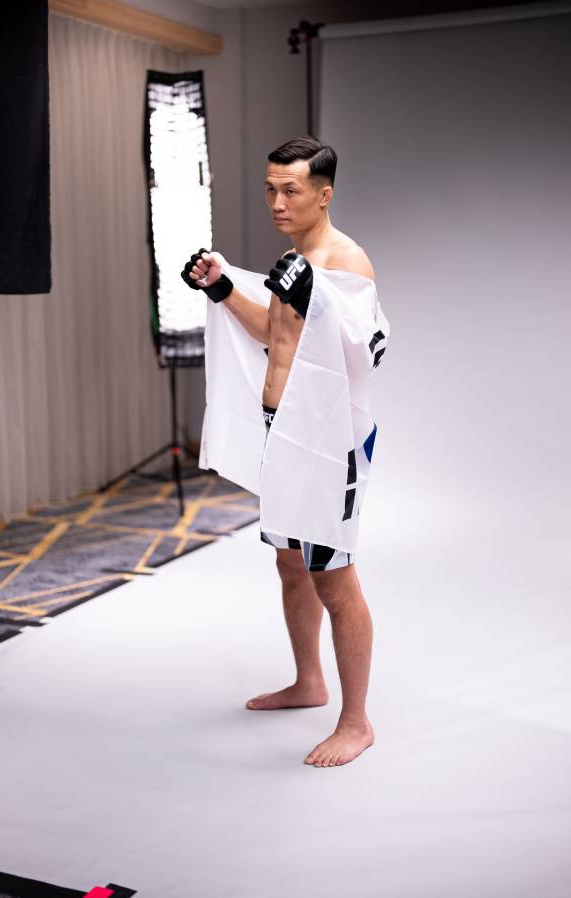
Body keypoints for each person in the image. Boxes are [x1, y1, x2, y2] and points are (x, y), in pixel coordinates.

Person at [181, 136, 381, 768]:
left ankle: (357, 722)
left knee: (334, 577)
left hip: (328, 440)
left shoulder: (345, 260)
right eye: (270, 189)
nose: (276, 202)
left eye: (290, 190)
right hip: (284, 430)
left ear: (324, 194)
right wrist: (222, 289)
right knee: (291, 564)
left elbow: (367, 348)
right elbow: (275, 333)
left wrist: (313, 292)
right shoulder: (295, 259)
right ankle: (308, 682)